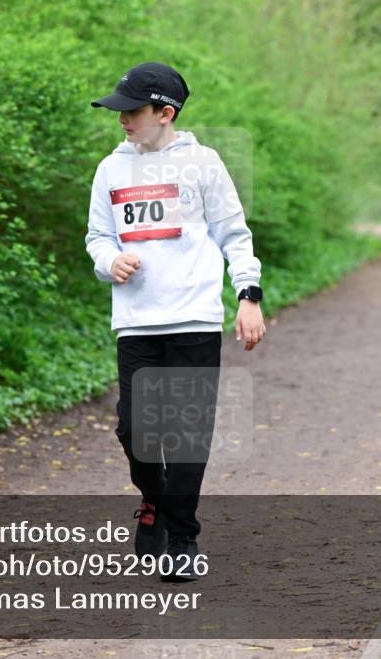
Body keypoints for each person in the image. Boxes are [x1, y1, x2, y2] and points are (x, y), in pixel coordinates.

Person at [85, 62, 266, 581]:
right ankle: (155, 503)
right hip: (137, 322)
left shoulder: (203, 164)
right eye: (118, 111)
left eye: (131, 111)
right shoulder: (110, 170)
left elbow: (235, 233)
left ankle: (182, 538)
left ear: (165, 113)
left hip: (194, 317)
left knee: (186, 436)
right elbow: (98, 236)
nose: (121, 120)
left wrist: (248, 296)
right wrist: (107, 261)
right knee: (135, 429)